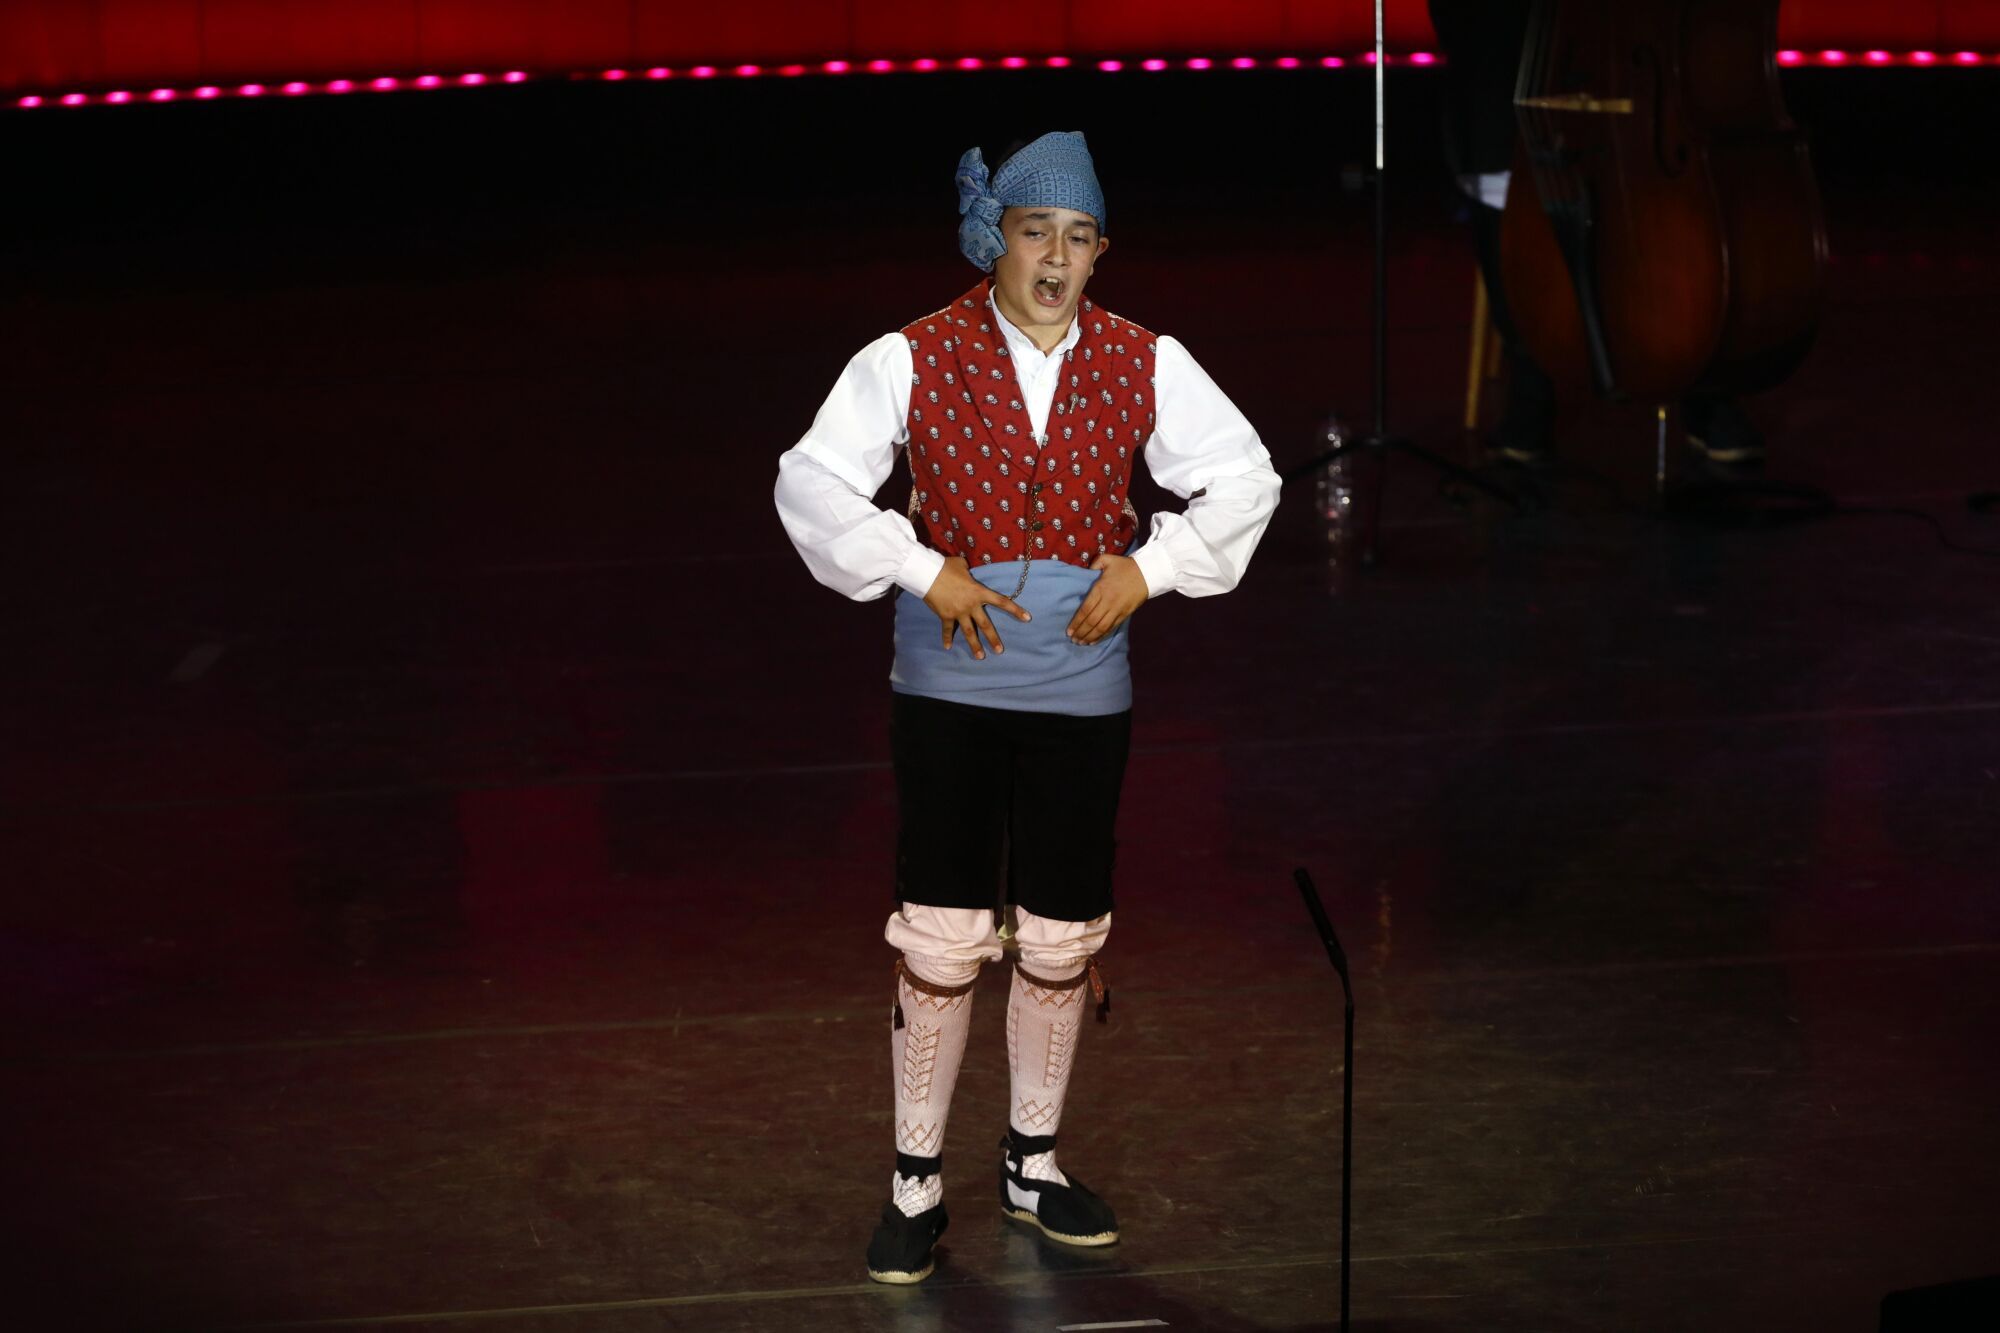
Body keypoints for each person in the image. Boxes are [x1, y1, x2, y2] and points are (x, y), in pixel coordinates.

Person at [773, 131, 1282, 1284]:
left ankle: (1031, 1160)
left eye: (1078, 237)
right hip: (948, 686)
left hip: (1078, 688)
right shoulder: (912, 356)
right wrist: (922, 569)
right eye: (1034, 232)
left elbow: (1244, 475)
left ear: (1101, 253)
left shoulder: (1141, 357)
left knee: (1057, 932)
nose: (1055, 258)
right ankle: (914, 1180)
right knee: (945, 932)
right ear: (992, 239)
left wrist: (1146, 570)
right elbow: (810, 479)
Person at [1428, 0, 1767, 471]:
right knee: (1492, 87)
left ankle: (1698, 375)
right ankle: (1532, 375)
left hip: (1637, 77)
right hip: (1512, 63)